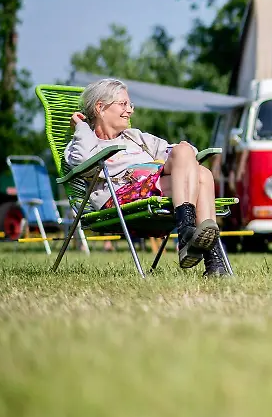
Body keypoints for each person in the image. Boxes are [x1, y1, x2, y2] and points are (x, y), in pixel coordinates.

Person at [64, 78, 227, 276]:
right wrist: (81, 127)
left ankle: (187, 231)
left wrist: (182, 153)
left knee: (193, 161)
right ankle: (213, 259)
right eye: (123, 104)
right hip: (119, 196)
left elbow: (183, 152)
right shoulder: (85, 142)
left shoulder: (135, 137)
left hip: (152, 185)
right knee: (202, 175)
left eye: (129, 104)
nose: (130, 110)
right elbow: (82, 163)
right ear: (100, 108)